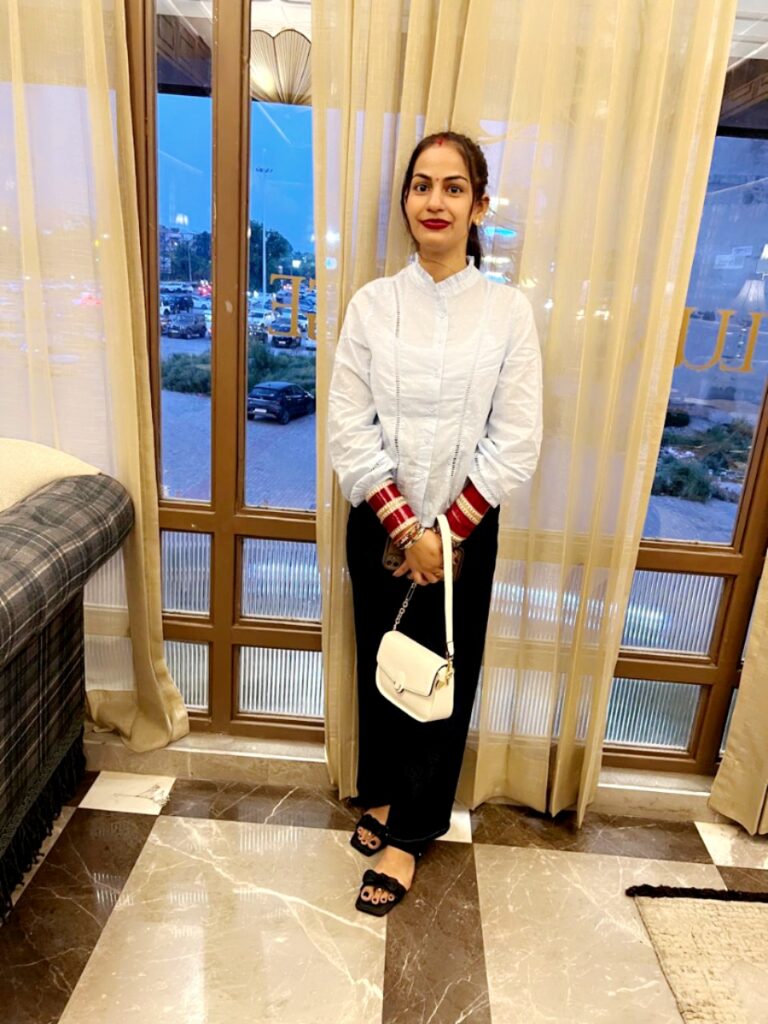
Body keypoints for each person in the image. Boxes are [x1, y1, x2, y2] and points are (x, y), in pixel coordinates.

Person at [327, 131, 543, 916]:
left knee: (443, 682)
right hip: (379, 525)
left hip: (464, 533)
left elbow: (516, 437)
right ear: (406, 201)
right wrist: (402, 528)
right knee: (384, 664)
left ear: (478, 206)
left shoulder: (506, 312)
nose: (435, 201)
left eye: (454, 188)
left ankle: (411, 834)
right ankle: (385, 794)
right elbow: (348, 423)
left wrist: (441, 534)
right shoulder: (373, 305)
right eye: (422, 185)